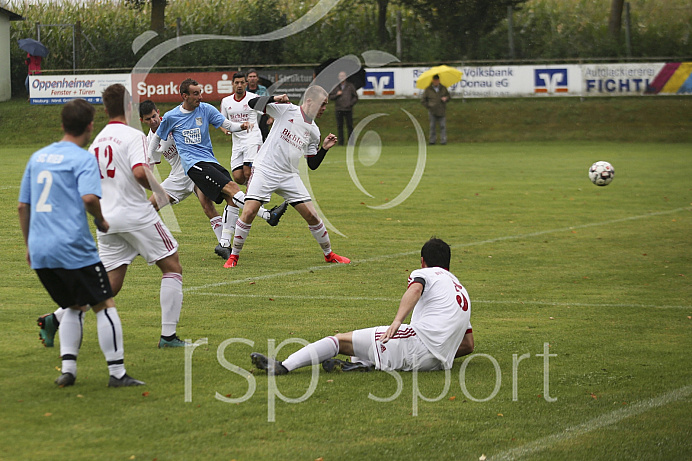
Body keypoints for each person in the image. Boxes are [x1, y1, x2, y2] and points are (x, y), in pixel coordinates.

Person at [19, 98, 144, 387]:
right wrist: (100, 220)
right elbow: (89, 198)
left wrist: (29, 245)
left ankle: (69, 371)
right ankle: (117, 374)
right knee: (104, 304)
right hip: (73, 248)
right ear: (89, 126)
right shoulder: (83, 158)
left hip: (41, 250)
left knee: (73, 305)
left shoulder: (37, 157)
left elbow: (22, 207)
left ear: (62, 124)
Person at [251, 238, 474, 375]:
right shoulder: (460, 290)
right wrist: (439, 353)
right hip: (438, 362)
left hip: (418, 343)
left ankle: (284, 366)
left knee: (339, 340)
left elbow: (415, 289)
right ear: (448, 263)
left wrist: (398, 322)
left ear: (423, 261)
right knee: (368, 349)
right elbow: (468, 345)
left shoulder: (425, 273)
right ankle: (361, 365)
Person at [91, 83, 187, 349]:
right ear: (129, 107)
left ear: (106, 108)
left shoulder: (96, 142)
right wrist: (160, 192)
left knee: (111, 282)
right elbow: (139, 172)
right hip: (134, 214)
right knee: (172, 265)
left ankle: (59, 316)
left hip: (106, 219)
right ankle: (168, 336)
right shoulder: (134, 136)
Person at [148, 78, 287, 256]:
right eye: (196, 93)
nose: (200, 96)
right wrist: (152, 157)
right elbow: (156, 138)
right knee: (231, 189)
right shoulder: (171, 116)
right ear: (185, 96)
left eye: (200, 92)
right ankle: (268, 215)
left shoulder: (206, 109)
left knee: (231, 197)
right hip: (194, 165)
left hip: (210, 161)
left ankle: (223, 244)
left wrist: (241, 126)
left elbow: (226, 124)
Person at [224, 85, 350, 268]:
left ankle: (329, 254)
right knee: (249, 211)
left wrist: (324, 148)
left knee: (312, 216)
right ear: (309, 101)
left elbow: (312, 164)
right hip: (265, 170)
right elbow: (252, 103)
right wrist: (275, 98)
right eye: (322, 104)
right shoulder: (286, 109)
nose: (324, 108)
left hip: (289, 175)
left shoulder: (314, 131)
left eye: (325, 105)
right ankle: (234, 256)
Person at [139, 99, 231, 260]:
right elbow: (151, 165)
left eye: (154, 116)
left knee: (208, 206)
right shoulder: (150, 141)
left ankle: (225, 245)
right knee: (150, 206)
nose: (153, 120)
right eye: (148, 119)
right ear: (142, 120)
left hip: (196, 170)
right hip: (177, 177)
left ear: (158, 112)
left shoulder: (174, 121)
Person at [219, 72, 264, 186]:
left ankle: (255, 201)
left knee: (248, 172)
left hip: (252, 139)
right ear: (232, 84)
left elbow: (267, 109)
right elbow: (221, 120)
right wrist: (225, 129)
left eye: (242, 83)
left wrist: (272, 118)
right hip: (237, 142)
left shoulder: (253, 98)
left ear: (246, 84)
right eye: (237, 83)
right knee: (238, 176)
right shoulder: (226, 101)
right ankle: (258, 187)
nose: (239, 85)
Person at [328, 71, 359, 146]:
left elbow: (355, 97)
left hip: (348, 109)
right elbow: (331, 97)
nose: (342, 77)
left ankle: (351, 143)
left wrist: (350, 104)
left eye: (343, 76)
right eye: (340, 76)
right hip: (339, 109)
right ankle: (340, 143)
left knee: (350, 126)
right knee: (340, 127)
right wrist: (337, 95)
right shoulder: (336, 86)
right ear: (338, 77)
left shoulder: (350, 86)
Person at [421, 75, 451, 145]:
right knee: (432, 126)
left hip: (441, 110)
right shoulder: (428, 89)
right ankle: (432, 141)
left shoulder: (443, 88)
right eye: (435, 80)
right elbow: (423, 100)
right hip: (432, 111)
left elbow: (449, 96)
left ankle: (443, 141)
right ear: (432, 81)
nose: (436, 82)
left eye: (437, 80)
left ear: (439, 80)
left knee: (443, 126)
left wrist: (446, 98)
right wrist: (429, 106)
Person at [246, 68, 273, 141]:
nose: (252, 79)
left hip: (261, 117)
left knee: (264, 137)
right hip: (249, 117)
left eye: (254, 76)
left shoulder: (263, 89)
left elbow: (268, 103)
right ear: (247, 79)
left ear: (257, 78)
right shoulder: (244, 90)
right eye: (250, 77)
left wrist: (271, 117)